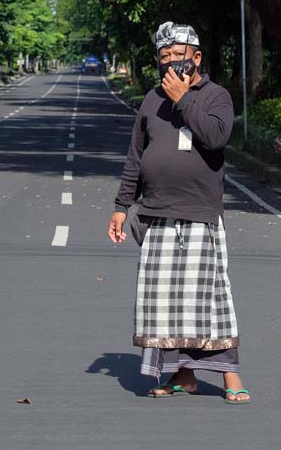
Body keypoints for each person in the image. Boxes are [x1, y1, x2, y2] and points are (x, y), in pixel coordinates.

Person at [107, 22, 251, 404]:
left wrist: (184, 99)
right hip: (155, 213)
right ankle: (182, 375)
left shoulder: (216, 96)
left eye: (179, 55)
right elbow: (135, 157)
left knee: (211, 299)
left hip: (200, 213)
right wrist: (122, 206)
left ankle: (230, 377)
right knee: (164, 306)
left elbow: (217, 137)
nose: (171, 61)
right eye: (164, 56)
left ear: (197, 57)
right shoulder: (152, 99)